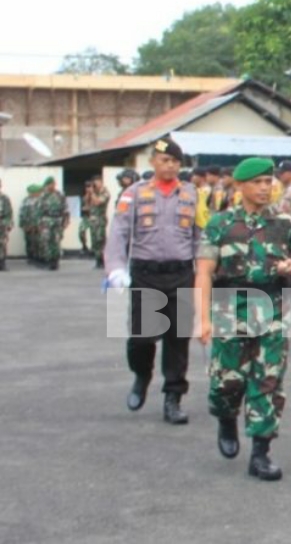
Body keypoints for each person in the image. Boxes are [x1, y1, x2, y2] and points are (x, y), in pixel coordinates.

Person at [195, 157, 291, 481]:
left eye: (269, 182)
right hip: (229, 307)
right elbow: (204, 272)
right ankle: (226, 418)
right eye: (258, 182)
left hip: (272, 308)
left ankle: (261, 453)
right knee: (227, 381)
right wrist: (202, 318)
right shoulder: (219, 224)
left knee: (268, 380)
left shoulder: (284, 223)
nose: (265, 188)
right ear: (240, 186)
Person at [104, 136, 203, 424]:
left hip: (182, 273)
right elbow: (119, 233)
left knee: (177, 339)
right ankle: (141, 374)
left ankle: (173, 398)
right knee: (142, 337)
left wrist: (207, 273)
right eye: (164, 160)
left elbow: (200, 236)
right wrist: (116, 269)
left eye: (175, 161)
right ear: (153, 162)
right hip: (146, 274)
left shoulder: (192, 194)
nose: (170, 166)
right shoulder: (133, 194)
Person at [36, 177, 69, 270]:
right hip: (46, 220)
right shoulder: (43, 196)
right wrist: (39, 223)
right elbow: (39, 211)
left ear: (54, 184)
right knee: (47, 241)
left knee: (56, 241)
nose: (49, 186)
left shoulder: (60, 195)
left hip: (57, 220)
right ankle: (50, 260)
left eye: (51, 184)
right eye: (47, 185)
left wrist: (66, 221)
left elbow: (65, 209)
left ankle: (56, 260)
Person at [83, 175, 111, 268]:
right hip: (93, 219)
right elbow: (86, 205)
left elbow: (98, 202)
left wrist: (93, 194)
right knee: (94, 240)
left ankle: (103, 260)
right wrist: (89, 193)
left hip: (100, 219)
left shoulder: (105, 193)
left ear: (101, 182)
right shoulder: (94, 192)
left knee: (100, 240)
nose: (95, 184)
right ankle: (97, 260)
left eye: (97, 182)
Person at [20, 185, 42, 265]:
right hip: (28, 225)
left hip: (39, 226)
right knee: (29, 241)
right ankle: (30, 257)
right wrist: (22, 225)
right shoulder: (25, 201)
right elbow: (21, 213)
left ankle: (39, 257)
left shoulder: (41, 200)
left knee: (39, 241)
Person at [0, 180, 11, 271]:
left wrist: (8, 224)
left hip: (1, 224)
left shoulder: (4, 198)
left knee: (2, 244)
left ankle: (2, 263)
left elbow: (8, 213)